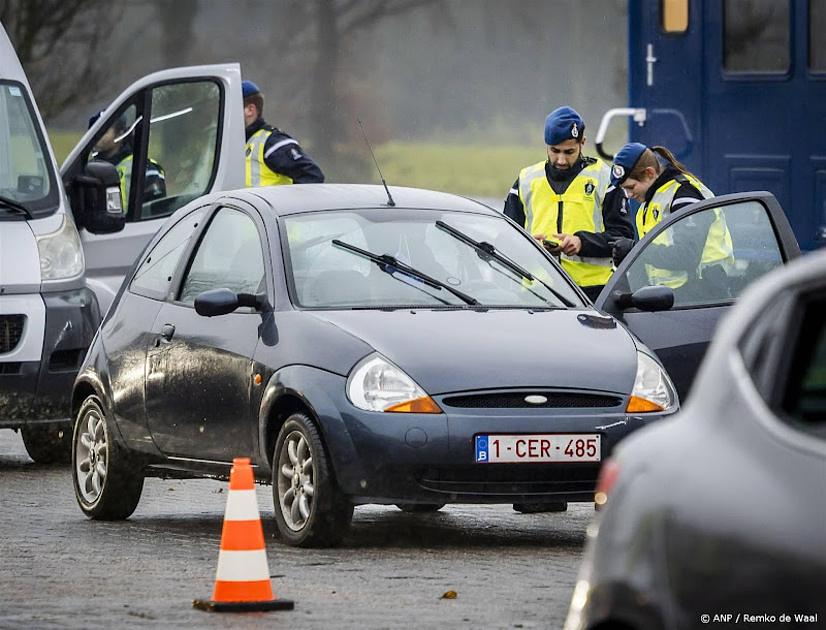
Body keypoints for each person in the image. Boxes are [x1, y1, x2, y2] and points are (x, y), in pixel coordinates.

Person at [504, 107, 634, 302]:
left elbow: (624, 237)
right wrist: (531, 244)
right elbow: (506, 236)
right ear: (546, 145)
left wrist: (582, 243)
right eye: (554, 151)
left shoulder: (604, 178)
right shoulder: (526, 179)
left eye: (569, 152)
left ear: (583, 143)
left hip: (592, 292)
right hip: (537, 291)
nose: (561, 160)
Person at [609, 143, 734, 293]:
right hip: (672, 294)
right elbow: (651, 260)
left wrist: (635, 250)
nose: (628, 195)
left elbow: (687, 255)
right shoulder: (648, 203)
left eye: (631, 187)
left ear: (649, 173)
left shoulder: (685, 194)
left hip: (703, 291)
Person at [242, 80, 324, 186]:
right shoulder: (241, 142)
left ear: (250, 110)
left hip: (267, 203)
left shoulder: (272, 142)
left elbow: (312, 176)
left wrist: (288, 202)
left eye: (233, 109)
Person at [89, 112, 166, 210]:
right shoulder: (88, 168)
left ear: (120, 134)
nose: (96, 136)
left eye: (103, 131)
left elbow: (155, 210)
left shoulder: (144, 167)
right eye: (92, 131)